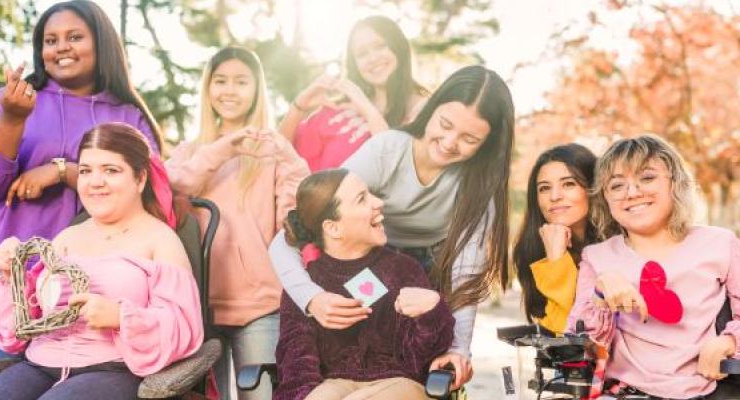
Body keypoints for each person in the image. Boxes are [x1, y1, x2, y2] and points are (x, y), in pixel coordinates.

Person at [270, 65, 515, 390]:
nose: (449, 142)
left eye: (469, 139)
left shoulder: (478, 187)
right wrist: (311, 298)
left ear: (487, 145)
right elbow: (298, 228)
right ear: (431, 108)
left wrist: (458, 350)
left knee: (416, 370)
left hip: (430, 276)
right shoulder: (387, 150)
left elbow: (465, 275)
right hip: (367, 260)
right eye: (445, 124)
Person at [0, 0, 161, 365]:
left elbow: (152, 189)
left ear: (101, 43)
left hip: (80, 283)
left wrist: (63, 172)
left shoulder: (127, 114)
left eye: (74, 37)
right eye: (50, 40)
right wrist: (12, 119)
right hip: (4, 272)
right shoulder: (11, 100)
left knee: (57, 383)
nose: (61, 47)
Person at [0, 123, 202, 400]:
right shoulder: (67, 237)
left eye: (111, 170)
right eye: (85, 171)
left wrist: (120, 318)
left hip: (114, 370)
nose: (95, 182)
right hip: (39, 364)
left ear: (140, 179)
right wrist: (12, 276)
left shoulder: (160, 240)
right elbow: (17, 330)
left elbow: (183, 328)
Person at [165, 46, 310, 400]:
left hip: (259, 305)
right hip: (198, 306)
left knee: (260, 395)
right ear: (208, 88)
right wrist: (221, 150)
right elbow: (172, 184)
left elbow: (295, 212)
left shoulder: (272, 150)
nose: (230, 90)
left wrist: (286, 154)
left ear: (256, 89)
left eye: (241, 82)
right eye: (221, 81)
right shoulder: (191, 150)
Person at [567, 134, 740, 399]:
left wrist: (729, 341)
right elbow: (579, 345)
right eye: (616, 185)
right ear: (605, 198)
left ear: (676, 183)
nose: (632, 192)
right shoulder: (596, 257)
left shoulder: (720, 243)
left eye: (646, 178)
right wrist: (600, 297)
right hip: (622, 393)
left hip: (702, 391)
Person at [274, 169, 455, 400]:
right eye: (362, 199)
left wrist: (432, 312)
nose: (378, 203)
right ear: (333, 228)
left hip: (399, 381)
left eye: (371, 194)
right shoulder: (308, 286)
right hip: (332, 384)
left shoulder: (403, 269)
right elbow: (296, 363)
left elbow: (419, 362)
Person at [279, 15, 429, 171]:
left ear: (398, 46)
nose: (372, 58)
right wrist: (298, 107)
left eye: (380, 46)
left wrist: (367, 108)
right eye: (362, 54)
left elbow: (396, 171)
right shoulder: (340, 109)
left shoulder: (427, 112)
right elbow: (278, 152)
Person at [513, 143, 597, 334]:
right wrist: (555, 257)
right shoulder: (533, 250)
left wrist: (557, 264)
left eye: (569, 184)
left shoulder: (617, 246)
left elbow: (583, 331)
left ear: (592, 187)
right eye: (544, 188)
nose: (554, 196)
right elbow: (560, 334)